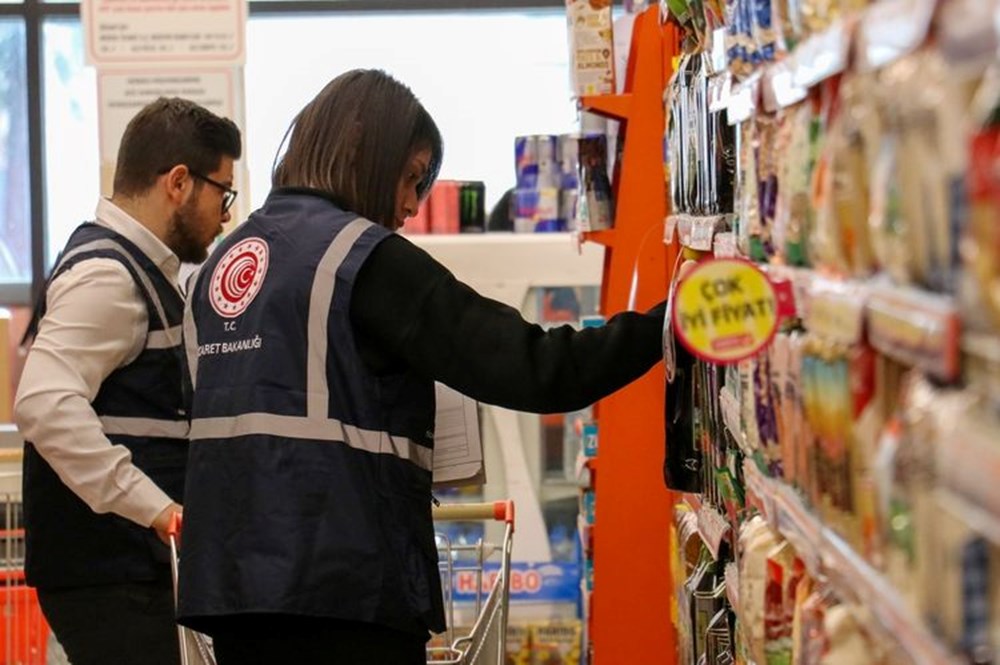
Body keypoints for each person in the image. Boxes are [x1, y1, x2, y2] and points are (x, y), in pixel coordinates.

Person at [177, 69, 664, 665]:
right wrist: (666, 326)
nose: (410, 206)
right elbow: (535, 366)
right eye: (409, 178)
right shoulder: (365, 260)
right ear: (364, 152)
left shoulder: (220, 264)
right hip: (343, 587)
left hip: (232, 590)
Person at [14, 97, 241, 665]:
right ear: (180, 183)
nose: (227, 215)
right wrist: (157, 508)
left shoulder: (137, 270)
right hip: (114, 575)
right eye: (223, 193)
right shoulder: (109, 276)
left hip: (126, 573)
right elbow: (44, 403)